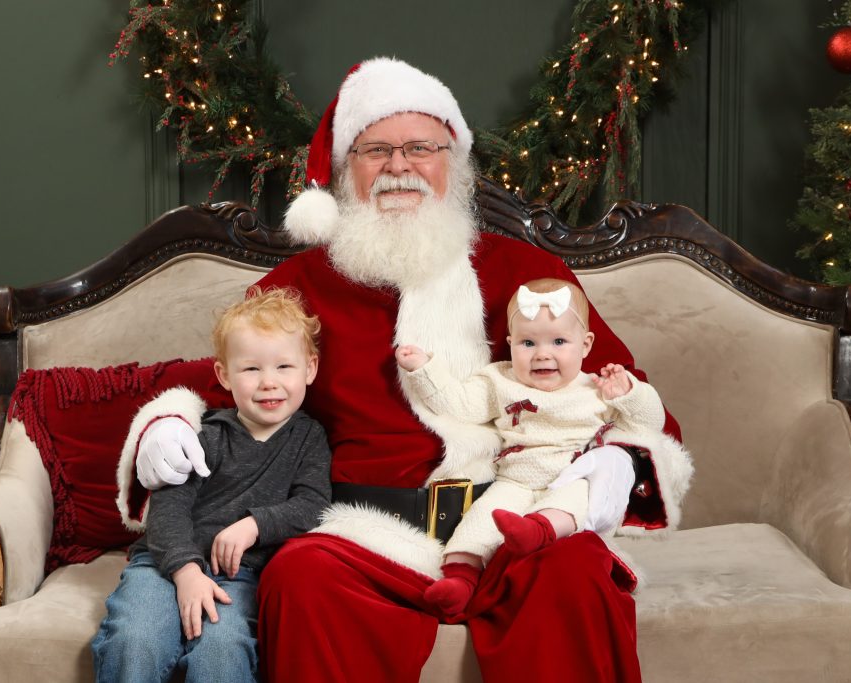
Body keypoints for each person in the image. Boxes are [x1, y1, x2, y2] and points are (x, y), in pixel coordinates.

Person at [116, 57, 693, 682]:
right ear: (345, 172)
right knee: (301, 575)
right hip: (365, 534)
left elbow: (629, 402)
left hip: (510, 525)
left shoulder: (524, 273)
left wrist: (609, 463)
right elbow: (217, 383)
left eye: (421, 147)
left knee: (577, 571)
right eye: (375, 151)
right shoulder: (298, 285)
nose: (399, 167)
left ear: (454, 161)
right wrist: (166, 427)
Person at [93, 288, 331, 682]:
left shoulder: (310, 439)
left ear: (310, 368)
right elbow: (167, 510)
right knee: (136, 639)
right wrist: (185, 571)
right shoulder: (204, 435)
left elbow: (313, 504)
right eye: (251, 369)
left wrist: (254, 525)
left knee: (221, 650)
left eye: (284, 367)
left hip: (240, 575)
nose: (269, 382)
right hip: (164, 565)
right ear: (224, 375)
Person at [395, 277, 668, 615]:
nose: (542, 354)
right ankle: (459, 579)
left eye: (558, 341)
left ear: (585, 345)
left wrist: (629, 391)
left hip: (573, 474)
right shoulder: (501, 380)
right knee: (482, 519)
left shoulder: (596, 390)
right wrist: (424, 369)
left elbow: (649, 424)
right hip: (516, 480)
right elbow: (460, 404)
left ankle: (539, 531)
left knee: (576, 499)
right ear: (510, 344)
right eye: (527, 343)